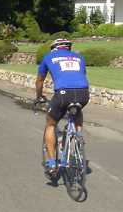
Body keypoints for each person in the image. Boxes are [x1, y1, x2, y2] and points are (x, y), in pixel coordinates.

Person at [35, 38, 90, 177]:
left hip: (63, 93)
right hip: (83, 93)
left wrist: (39, 96)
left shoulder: (49, 57)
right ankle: (77, 136)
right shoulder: (79, 57)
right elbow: (81, 76)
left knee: (51, 124)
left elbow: (40, 80)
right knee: (77, 109)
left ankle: (52, 162)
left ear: (54, 48)